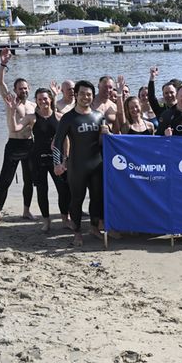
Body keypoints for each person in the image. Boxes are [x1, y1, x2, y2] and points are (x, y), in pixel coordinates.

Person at [4, 88, 71, 232]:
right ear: (36, 101)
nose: (43, 101)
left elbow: (66, 140)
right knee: (42, 191)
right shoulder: (31, 117)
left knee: (63, 190)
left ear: (50, 99)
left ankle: (65, 219)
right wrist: (12, 110)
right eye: (39, 99)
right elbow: (14, 128)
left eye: (45, 98)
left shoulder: (60, 117)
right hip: (38, 159)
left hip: (56, 159)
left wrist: (65, 159)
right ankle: (46, 221)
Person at [53, 80, 110, 246]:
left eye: (89, 94)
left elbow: (104, 143)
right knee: (76, 199)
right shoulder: (68, 118)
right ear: (76, 95)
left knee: (97, 198)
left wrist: (108, 134)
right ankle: (77, 232)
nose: (86, 97)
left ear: (93, 96)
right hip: (76, 166)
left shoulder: (99, 116)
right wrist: (57, 163)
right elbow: (58, 142)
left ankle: (93, 227)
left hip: (96, 165)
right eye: (83, 94)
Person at [0, 48, 35, 226]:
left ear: (28, 88)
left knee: (29, 180)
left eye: (25, 88)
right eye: (20, 88)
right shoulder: (11, 101)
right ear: (15, 90)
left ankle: (26, 210)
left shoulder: (33, 106)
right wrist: (3, 64)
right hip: (14, 144)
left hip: (29, 145)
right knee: (5, 179)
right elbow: (0, 83)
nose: (23, 90)